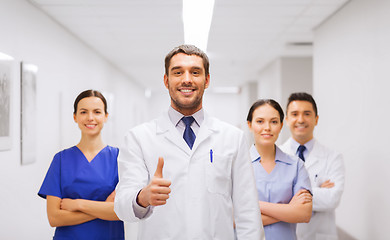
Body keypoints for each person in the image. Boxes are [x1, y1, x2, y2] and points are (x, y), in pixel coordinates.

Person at [114, 45, 263, 239]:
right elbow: (121, 206)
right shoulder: (139, 138)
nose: (187, 79)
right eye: (178, 72)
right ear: (166, 81)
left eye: (195, 72)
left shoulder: (232, 138)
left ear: (207, 80)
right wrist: (142, 197)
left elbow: (248, 211)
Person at [38, 90, 124, 240]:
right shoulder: (61, 160)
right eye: (83, 112)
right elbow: (54, 218)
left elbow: (120, 212)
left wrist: (78, 204)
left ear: (106, 116)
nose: (90, 118)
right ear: (75, 117)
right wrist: (102, 207)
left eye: (97, 112)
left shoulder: (119, 159)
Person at [280, 92, 345, 240]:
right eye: (295, 114)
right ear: (287, 119)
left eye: (307, 114)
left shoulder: (333, 157)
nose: (301, 119)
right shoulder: (276, 155)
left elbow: (332, 199)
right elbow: (270, 199)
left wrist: (289, 195)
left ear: (316, 119)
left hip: (320, 235)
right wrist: (317, 192)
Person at [247, 99, 312, 240]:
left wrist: (252, 204)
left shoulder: (296, 165)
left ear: (281, 125)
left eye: (274, 122)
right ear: (249, 125)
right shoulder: (236, 165)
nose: (267, 127)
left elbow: (304, 214)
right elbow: (230, 217)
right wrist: (288, 210)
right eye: (260, 121)